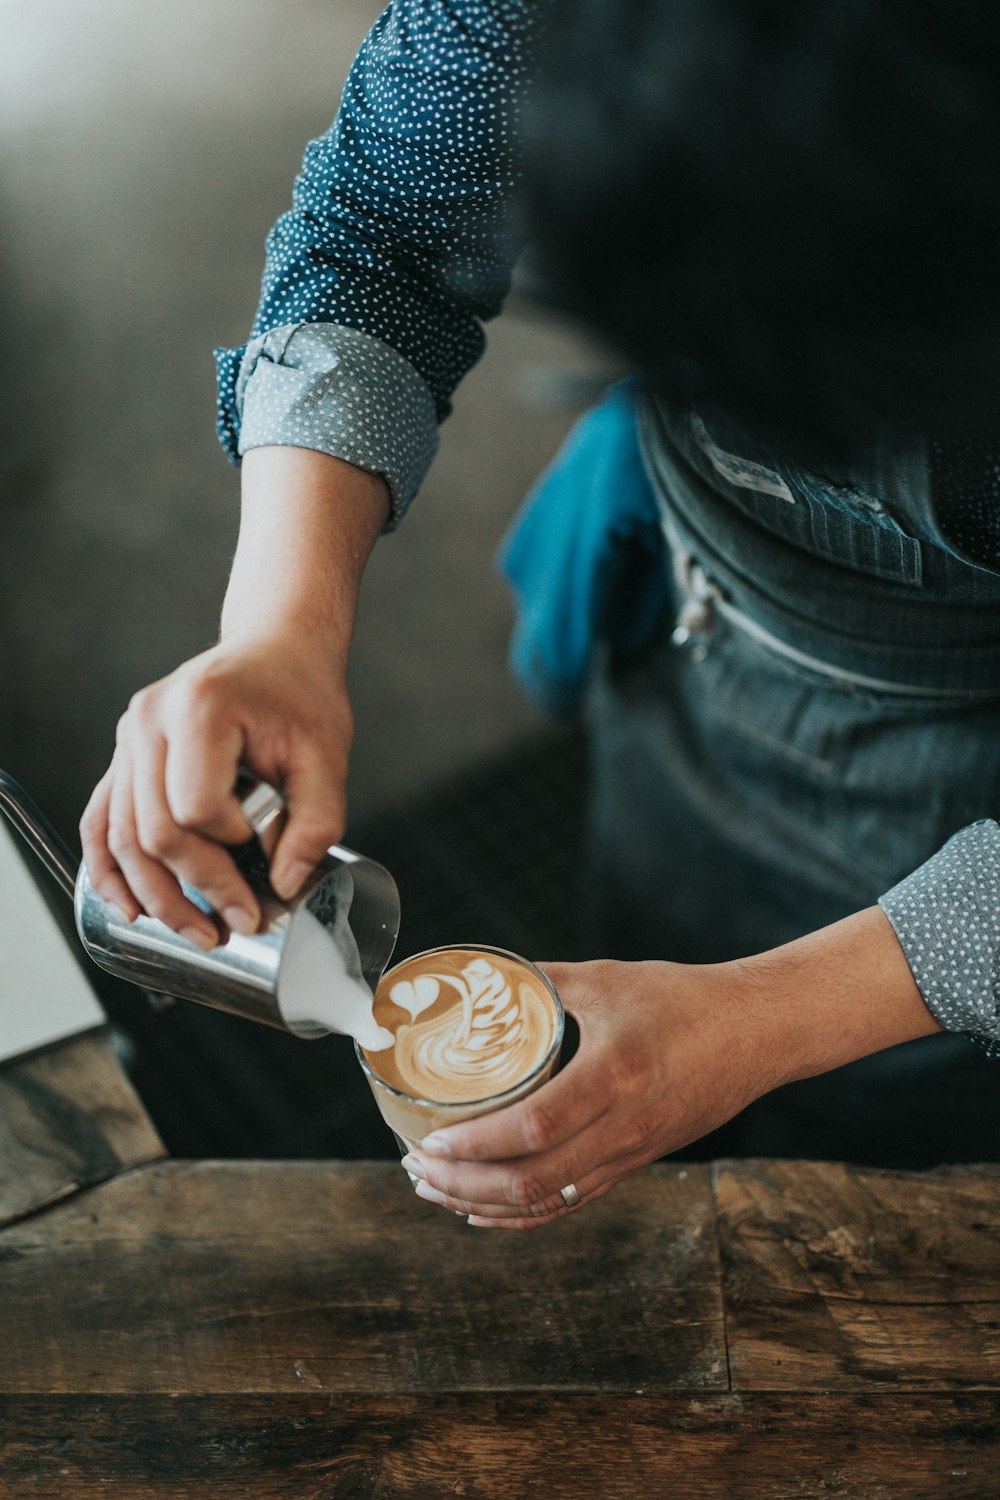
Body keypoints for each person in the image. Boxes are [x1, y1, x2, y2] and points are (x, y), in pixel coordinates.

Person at [81, 0, 1000, 1228]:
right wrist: (278, 630)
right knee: (653, 912)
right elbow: (384, 235)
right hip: (702, 642)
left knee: (878, 1151)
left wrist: (775, 1018)